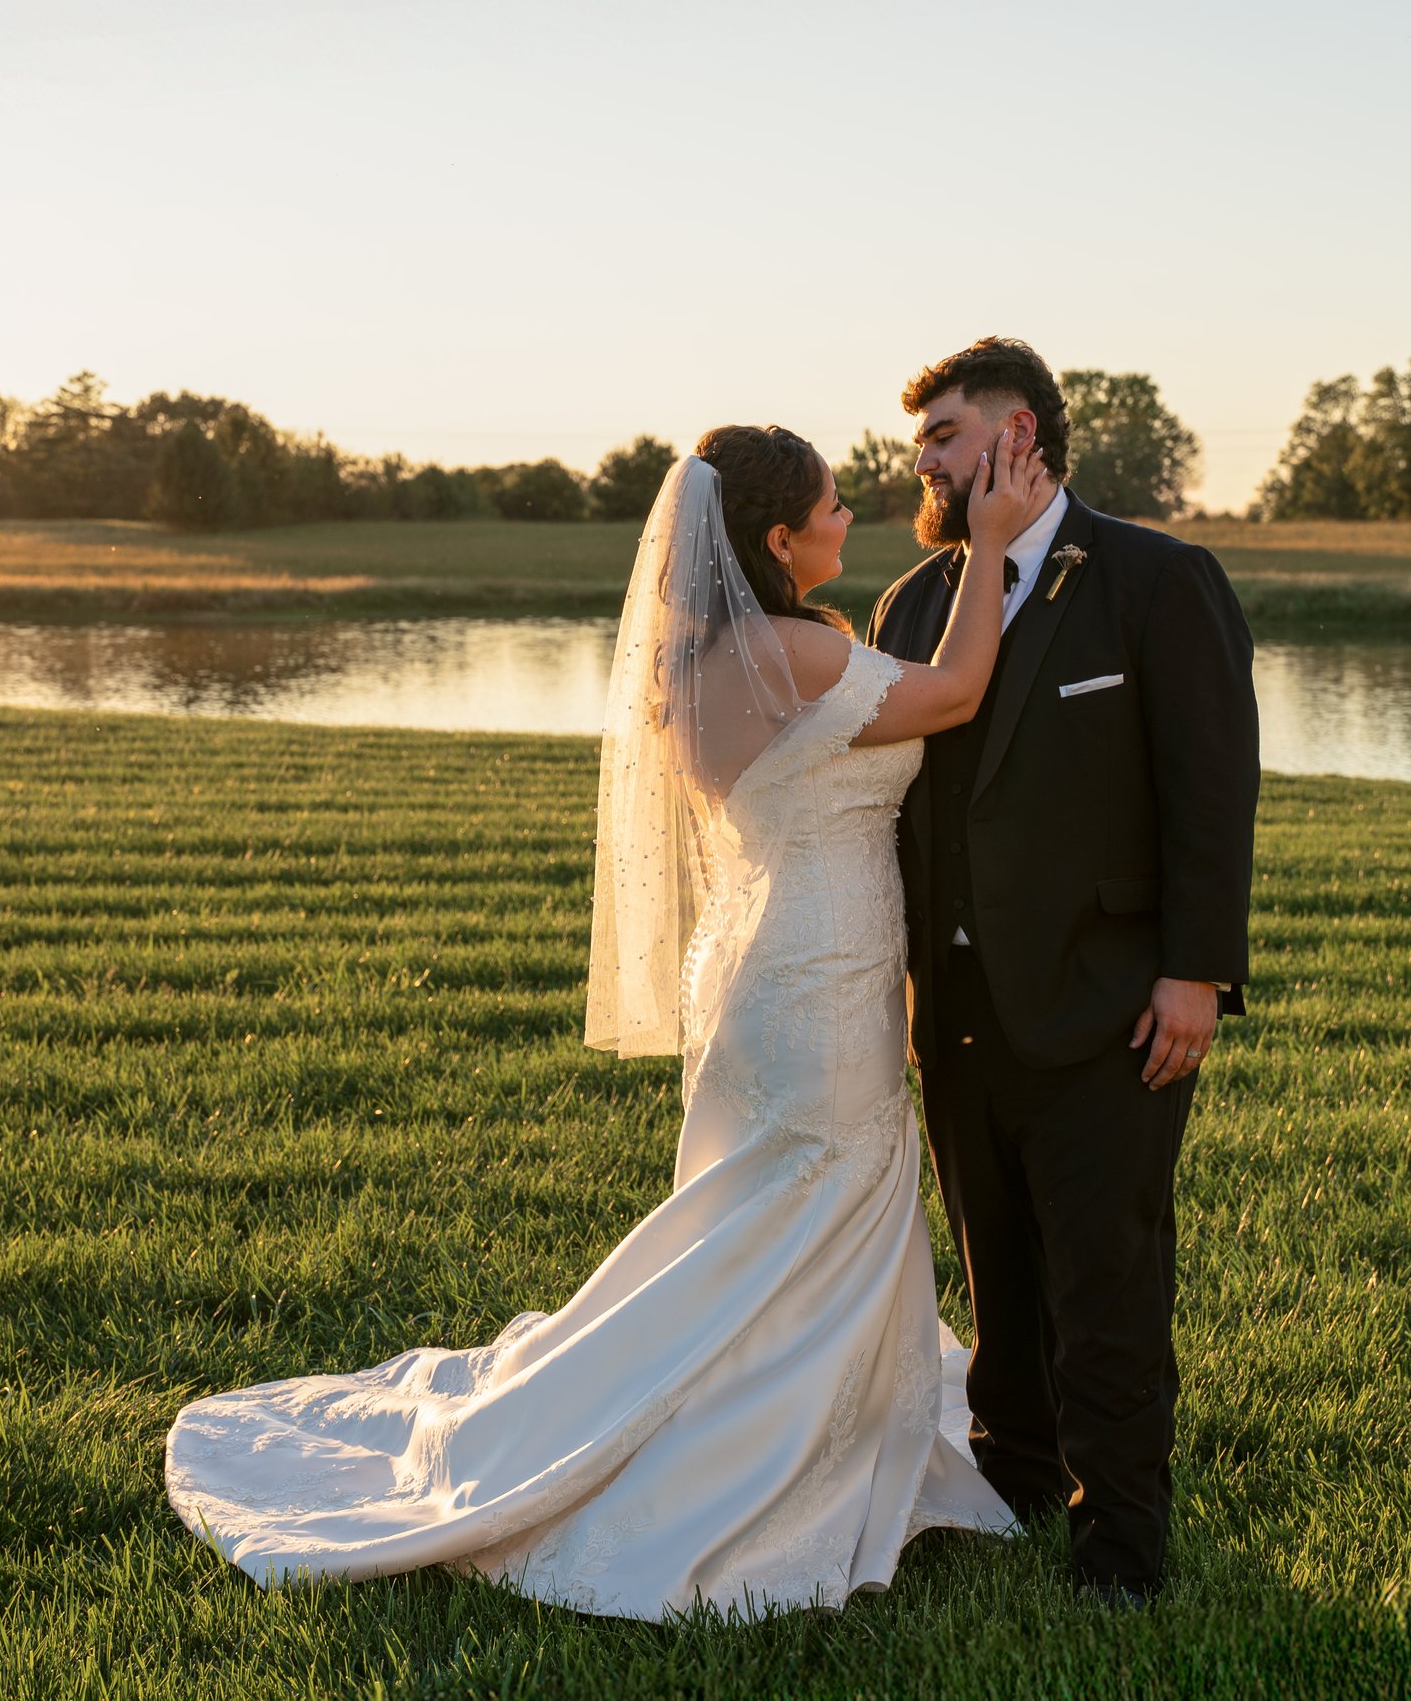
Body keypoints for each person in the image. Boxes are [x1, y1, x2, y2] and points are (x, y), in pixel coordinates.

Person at [167, 423, 1051, 1619]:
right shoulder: (789, 648)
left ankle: (803, 1427)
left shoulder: (699, 666)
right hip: (820, 963)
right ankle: (756, 1466)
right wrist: (992, 544)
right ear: (779, 539)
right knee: (815, 1195)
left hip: (765, 964)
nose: (855, 519)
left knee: (764, 1212)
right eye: (835, 506)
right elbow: (953, 692)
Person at [867, 337, 1260, 1606]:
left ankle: (1123, 1553)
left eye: (941, 435)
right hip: (962, 1013)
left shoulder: (1156, 580)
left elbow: (1211, 794)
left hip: (1112, 1007)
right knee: (999, 1270)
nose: (920, 458)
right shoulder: (916, 602)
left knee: (1107, 1280)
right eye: (919, 439)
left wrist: (1193, 973)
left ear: (1017, 436)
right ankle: (1016, 1480)